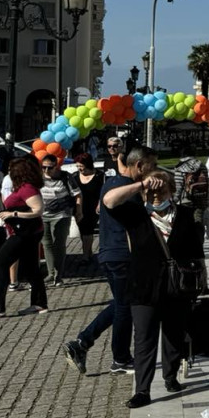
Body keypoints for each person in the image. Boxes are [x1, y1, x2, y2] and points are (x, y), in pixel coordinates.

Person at [63, 140, 152, 377]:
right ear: (140, 166)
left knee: (122, 303)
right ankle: (120, 359)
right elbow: (109, 203)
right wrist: (142, 187)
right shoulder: (123, 185)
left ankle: (82, 343)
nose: (152, 172)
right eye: (151, 167)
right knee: (125, 307)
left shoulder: (115, 182)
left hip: (111, 254)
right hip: (121, 255)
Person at [124, 170, 204, 408]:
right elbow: (108, 201)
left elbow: (197, 250)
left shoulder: (187, 215)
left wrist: (200, 281)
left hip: (177, 286)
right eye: (152, 191)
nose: (156, 195)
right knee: (144, 339)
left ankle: (170, 377)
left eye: (161, 190)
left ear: (172, 190)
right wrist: (141, 184)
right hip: (144, 286)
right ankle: (142, 390)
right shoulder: (135, 214)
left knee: (174, 334)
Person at [0, 158, 49, 316]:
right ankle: (39, 303)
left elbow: (38, 210)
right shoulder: (23, 187)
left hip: (25, 233)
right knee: (32, 269)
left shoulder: (27, 188)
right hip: (27, 232)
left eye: (11, 170)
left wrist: (13, 213)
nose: (9, 172)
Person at [39, 154, 80, 287]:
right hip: (43, 215)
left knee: (59, 243)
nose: (46, 171)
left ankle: (59, 275)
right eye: (43, 167)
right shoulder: (39, 177)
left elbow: (77, 194)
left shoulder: (65, 176)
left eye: (49, 168)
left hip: (62, 214)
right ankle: (51, 273)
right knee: (46, 243)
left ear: (56, 166)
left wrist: (79, 211)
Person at [72, 142, 104, 262]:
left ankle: (85, 255)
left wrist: (100, 204)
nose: (79, 169)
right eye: (78, 166)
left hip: (93, 207)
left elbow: (103, 191)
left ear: (88, 164)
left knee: (88, 230)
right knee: (82, 231)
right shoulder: (75, 176)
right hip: (79, 207)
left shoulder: (99, 176)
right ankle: (89, 252)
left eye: (81, 166)